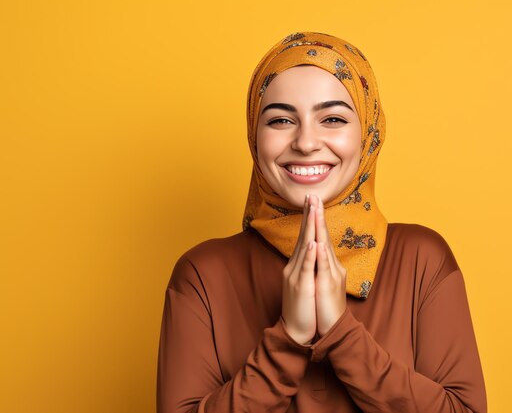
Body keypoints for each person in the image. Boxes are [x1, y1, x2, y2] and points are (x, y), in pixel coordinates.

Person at [157, 31, 487, 413]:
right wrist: (288, 339)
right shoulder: (202, 274)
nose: (306, 142)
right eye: (281, 120)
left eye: (332, 118)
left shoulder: (421, 260)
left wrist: (341, 334)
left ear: (367, 133)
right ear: (254, 134)